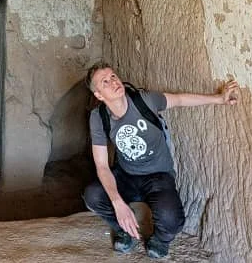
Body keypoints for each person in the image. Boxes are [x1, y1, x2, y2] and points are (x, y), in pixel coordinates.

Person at [83, 62, 240, 258]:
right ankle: (124, 229)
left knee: (172, 220)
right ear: (98, 95)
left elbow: (180, 100)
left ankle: (159, 239)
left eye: (113, 76)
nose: (113, 82)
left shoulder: (144, 101)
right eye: (105, 82)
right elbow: (101, 165)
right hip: (126, 175)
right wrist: (118, 204)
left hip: (158, 175)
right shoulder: (98, 117)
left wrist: (218, 99)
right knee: (93, 195)